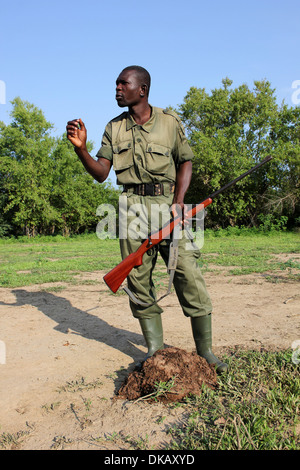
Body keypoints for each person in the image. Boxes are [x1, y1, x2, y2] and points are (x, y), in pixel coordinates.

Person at [66, 65, 228, 374]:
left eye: (122, 83)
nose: (117, 88)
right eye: (116, 83)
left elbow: (185, 161)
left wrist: (179, 203)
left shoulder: (169, 123)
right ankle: (154, 349)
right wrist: (81, 150)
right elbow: (101, 173)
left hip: (167, 205)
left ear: (142, 89)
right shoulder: (114, 128)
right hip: (130, 208)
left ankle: (206, 352)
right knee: (138, 280)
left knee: (188, 274)